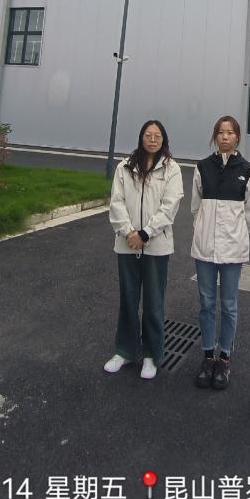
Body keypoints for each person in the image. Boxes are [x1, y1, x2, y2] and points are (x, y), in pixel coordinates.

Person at [104, 120, 183, 380]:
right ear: (141, 138)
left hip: (156, 246)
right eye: (148, 135)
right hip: (127, 244)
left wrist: (145, 233)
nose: (152, 139)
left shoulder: (171, 168)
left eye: (157, 135)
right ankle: (125, 350)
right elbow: (116, 202)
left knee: (153, 302)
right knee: (128, 300)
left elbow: (169, 207)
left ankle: (151, 354)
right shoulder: (125, 166)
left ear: (164, 139)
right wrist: (129, 232)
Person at [191, 115, 250, 390]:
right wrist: (204, 230)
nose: (225, 137)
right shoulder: (202, 167)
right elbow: (195, 208)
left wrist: (235, 235)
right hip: (205, 248)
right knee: (206, 303)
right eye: (220, 132)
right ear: (215, 136)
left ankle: (225, 358)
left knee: (229, 305)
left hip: (233, 249)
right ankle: (208, 356)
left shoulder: (248, 170)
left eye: (230, 132)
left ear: (237, 137)